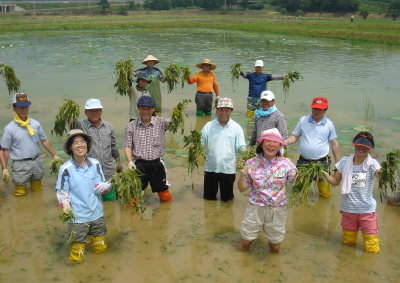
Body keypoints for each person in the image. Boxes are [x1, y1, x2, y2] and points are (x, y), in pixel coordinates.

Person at [237, 129, 297, 252]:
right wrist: (243, 174)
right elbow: (241, 188)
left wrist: (305, 176)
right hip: (255, 208)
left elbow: (296, 181)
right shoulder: (252, 163)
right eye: (268, 141)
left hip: (277, 209)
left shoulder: (287, 164)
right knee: (245, 243)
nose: (271, 144)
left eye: (275, 142)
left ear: (280, 145)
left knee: (275, 247)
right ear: (262, 144)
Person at [56, 129, 110, 262]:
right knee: (77, 253)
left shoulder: (95, 164)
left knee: (100, 247)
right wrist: (66, 205)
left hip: (97, 213)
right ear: (70, 147)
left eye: (82, 141)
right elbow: (62, 192)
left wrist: (108, 186)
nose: (80, 145)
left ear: (87, 144)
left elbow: (99, 187)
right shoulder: (65, 169)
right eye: (75, 143)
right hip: (78, 217)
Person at [323, 132, 381, 253]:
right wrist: (323, 173)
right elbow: (335, 181)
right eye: (359, 145)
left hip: (367, 211)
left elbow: (379, 173)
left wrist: (385, 174)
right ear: (354, 145)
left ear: (370, 148)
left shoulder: (372, 164)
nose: (362, 148)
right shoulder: (345, 162)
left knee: (371, 245)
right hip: (348, 210)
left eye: (365, 146)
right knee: (348, 243)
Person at [1, 93, 62, 196]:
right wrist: (5, 168)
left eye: (26, 106)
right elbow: (5, 149)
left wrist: (54, 154)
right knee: (20, 193)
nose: (24, 109)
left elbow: (44, 140)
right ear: (14, 108)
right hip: (20, 164)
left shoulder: (35, 124)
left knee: (37, 190)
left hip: (36, 161)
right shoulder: (9, 128)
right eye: (21, 107)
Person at [285, 97, 340, 198]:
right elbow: (295, 137)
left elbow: (334, 143)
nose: (316, 111)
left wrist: (338, 163)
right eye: (314, 108)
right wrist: (285, 142)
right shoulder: (303, 120)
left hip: (322, 162)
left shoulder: (329, 124)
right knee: (299, 191)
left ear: (325, 110)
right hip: (304, 161)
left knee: (325, 194)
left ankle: (323, 211)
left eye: (319, 109)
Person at [123, 96, 172, 202]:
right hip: (139, 164)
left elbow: (175, 124)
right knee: (133, 194)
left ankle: (165, 214)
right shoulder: (131, 126)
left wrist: (178, 112)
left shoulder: (161, 122)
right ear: (138, 108)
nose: (146, 111)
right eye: (143, 108)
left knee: (164, 193)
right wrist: (130, 161)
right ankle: (132, 217)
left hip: (157, 164)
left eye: (149, 108)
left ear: (153, 108)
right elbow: (128, 146)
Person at [76, 98, 122, 201]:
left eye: (97, 110)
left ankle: (109, 215)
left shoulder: (108, 126)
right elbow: (72, 134)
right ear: (85, 112)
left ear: (101, 111)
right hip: (89, 171)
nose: (94, 113)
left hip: (108, 170)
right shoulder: (81, 126)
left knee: (109, 199)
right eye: (91, 110)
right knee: (91, 200)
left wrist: (118, 161)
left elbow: (113, 146)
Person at [201, 97, 246, 201]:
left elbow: (241, 147)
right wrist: (194, 145)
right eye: (221, 109)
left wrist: (249, 153)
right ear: (217, 110)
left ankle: (226, 216)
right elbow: (201, 143)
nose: (224, 112)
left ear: (231, 111)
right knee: (208, 199)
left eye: (227, 110)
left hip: (228, 169)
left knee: (227, 199)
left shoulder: (236, 128)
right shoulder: (208, 126)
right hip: (211, 168)